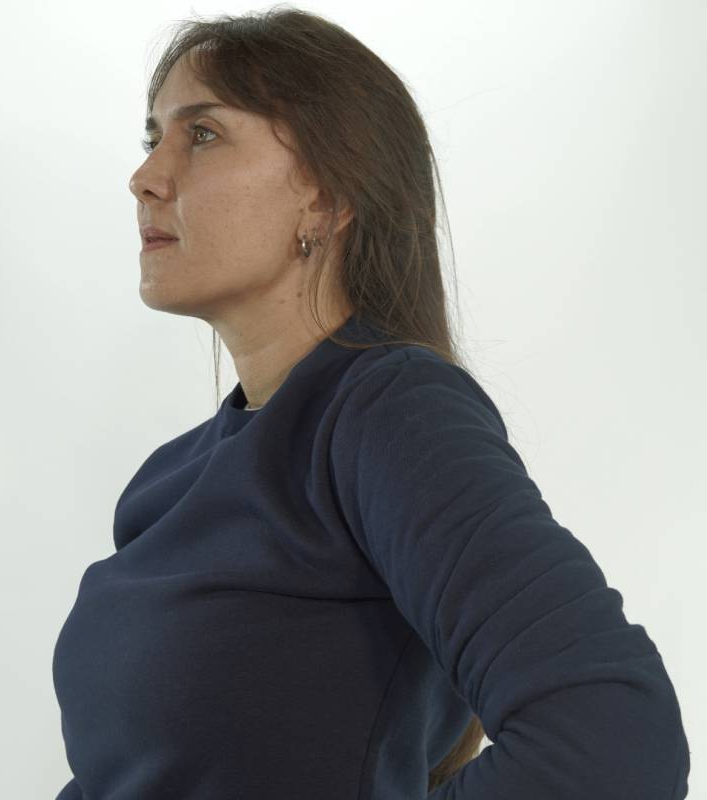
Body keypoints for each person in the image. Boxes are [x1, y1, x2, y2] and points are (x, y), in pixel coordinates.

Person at [51, 8, 690, 799]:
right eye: (153, 138)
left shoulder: (391, 413)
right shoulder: (167, 481)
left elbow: (612, 742)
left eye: (203, 134)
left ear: (326, 198)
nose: (145, 176)